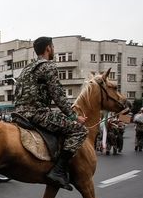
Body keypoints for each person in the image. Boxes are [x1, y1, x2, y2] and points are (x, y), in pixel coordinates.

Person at [12, 36, 87, 190]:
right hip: (37, 114)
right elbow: (58, 95)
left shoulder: (26, 68)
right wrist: (74, 117)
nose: (53, 50)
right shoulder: (48, 66)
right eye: (53, 47)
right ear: (48, 48)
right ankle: (58, 171)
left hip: (19, 114)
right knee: (79, 131)